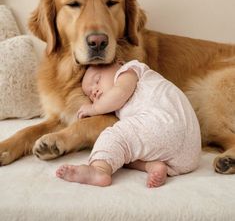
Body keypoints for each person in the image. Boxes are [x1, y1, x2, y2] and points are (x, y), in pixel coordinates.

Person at [56, 60, 201, 188]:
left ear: (119, 63)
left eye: (97, 80)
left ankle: (99, 169)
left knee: (114, 135)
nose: (94, 91)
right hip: (189, 156)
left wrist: (94, 108)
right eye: (90, 95)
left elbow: (119, 93)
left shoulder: (129, 70)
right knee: (122, 154)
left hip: (163, 123)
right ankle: (152, 165)